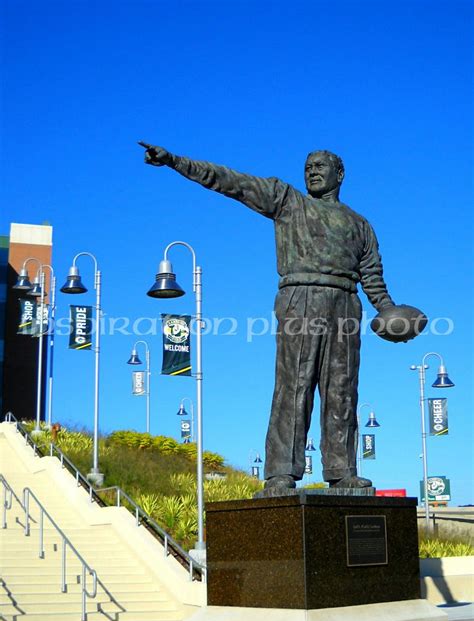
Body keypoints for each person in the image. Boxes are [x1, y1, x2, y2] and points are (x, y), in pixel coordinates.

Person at [139, 142, 395, 491]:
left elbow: (373, 277)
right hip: (300, 297)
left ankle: (342, 469)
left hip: (346, 304)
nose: (313, 171)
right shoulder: (288, 201)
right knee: (294, 384)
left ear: (340, 174)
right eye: (308, 167)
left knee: (342, 390)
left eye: (320, 166)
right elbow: (232, 182)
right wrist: (175, 162)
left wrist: (388, 311)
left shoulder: (360, 225)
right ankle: (281, 471)